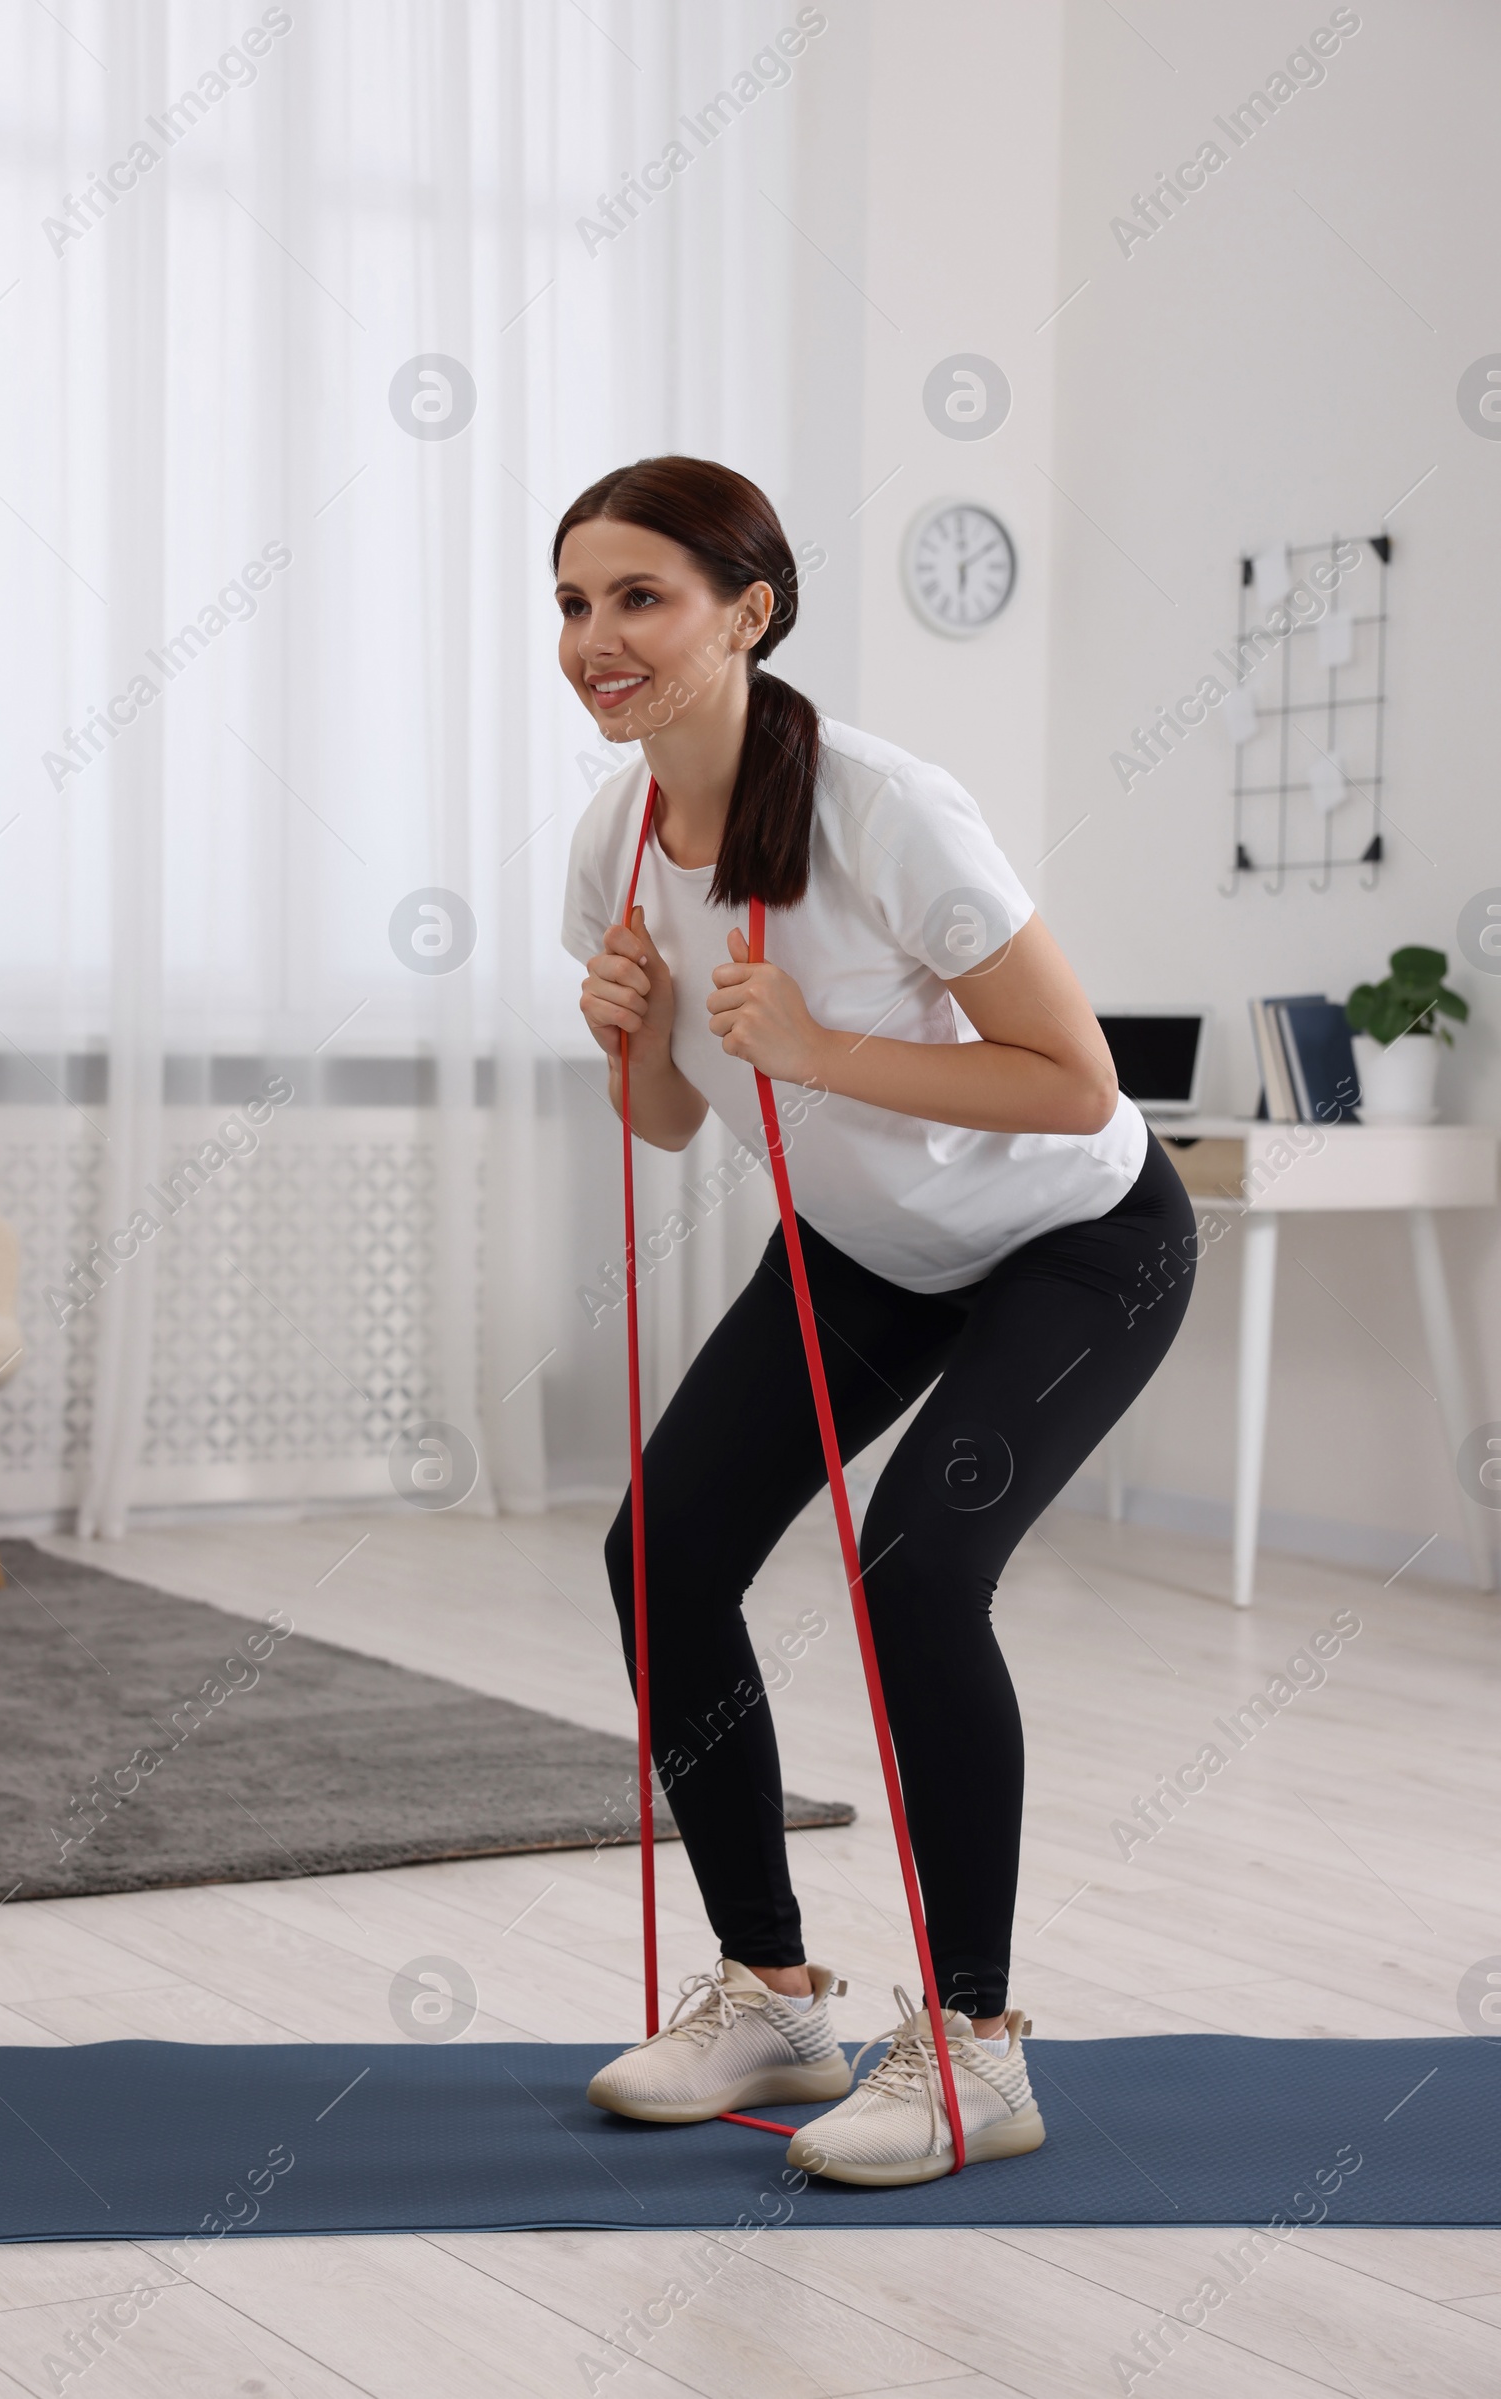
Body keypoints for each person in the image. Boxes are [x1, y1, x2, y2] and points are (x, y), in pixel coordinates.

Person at [556, 455, 1196, 2187]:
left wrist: (819, 1048)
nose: (595, 639)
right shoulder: (616, 840)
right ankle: (772, 1994)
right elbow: (681, 1124)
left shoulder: (887, 808)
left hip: (1076, 1242)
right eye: (573, 603)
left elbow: (1075, 1088)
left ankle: (978, 2048)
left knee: (915, 1568)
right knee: (663, 1555)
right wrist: (627, 1034)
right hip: (861, 1252)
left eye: (639, 599)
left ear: (746, 612)